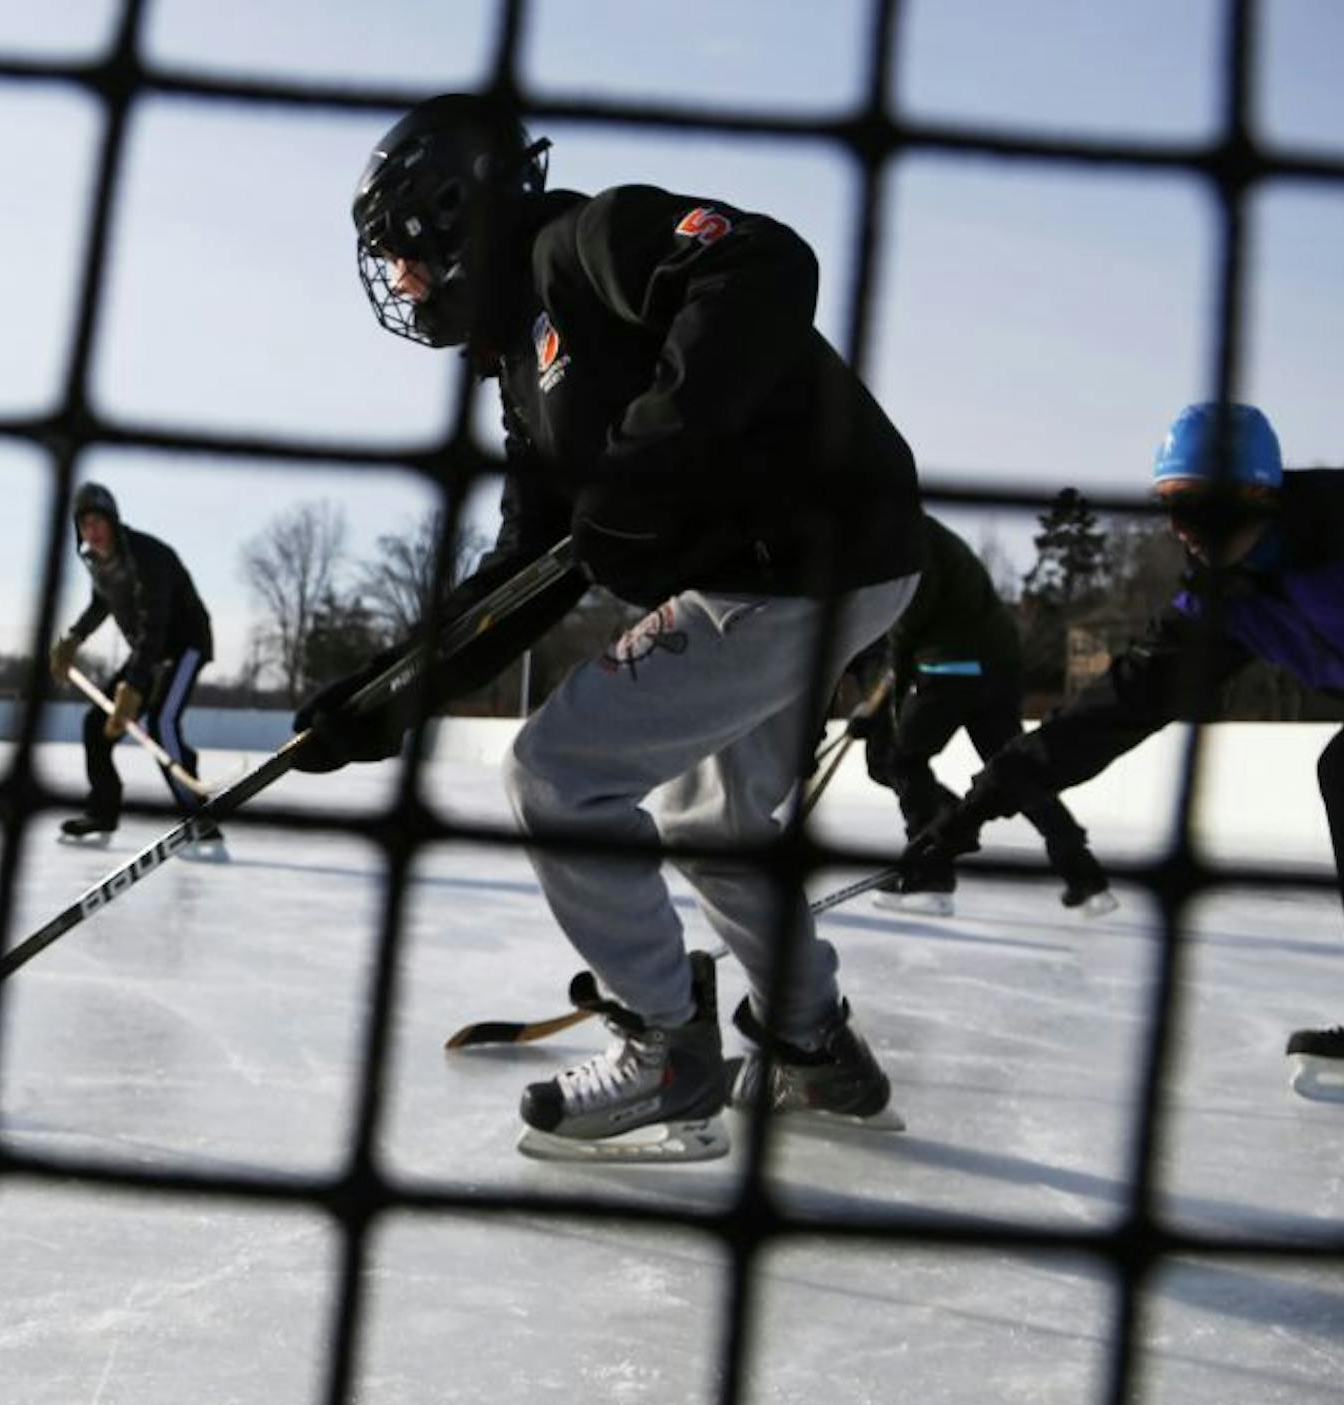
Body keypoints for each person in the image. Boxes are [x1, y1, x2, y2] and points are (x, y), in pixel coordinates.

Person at [294, 93, 928, 1161]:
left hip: (802, 559)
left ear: (456, 215)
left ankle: (670, 1052)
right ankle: (818, 1052)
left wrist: (647, 458)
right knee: (714, 825)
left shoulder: (586, 243)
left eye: (399, 251)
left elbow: (760, 263)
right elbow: (527, 568)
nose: (398, 282)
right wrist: (389, 693)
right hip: (817, 571)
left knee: (557, 775)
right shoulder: (519, 375)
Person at [911, 402, 1344, 1107]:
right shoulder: (1226, 602)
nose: (1183, 528)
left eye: (1199, 506)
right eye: (1170, 507)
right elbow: (1114, 709)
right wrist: (984, 798)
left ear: (1258, 493)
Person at [854, 512, 1115, 917]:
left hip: (952, 666)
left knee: (901, 760)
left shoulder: (900, 537)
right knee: (1014, 770)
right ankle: (1085, 877)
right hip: (999, 666)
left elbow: (907, 624)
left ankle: (930, 877)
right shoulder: (921, 531)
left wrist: (881, 704)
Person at [48, 481, 222, 854]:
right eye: (84, 524)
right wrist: (73, 639)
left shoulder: (146, 556)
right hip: (149, 650)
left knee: (162, 724)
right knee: (96, 725)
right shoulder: (100, 563)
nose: (91, 531)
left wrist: (134, 684)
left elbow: (155, 624)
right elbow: (100, 604)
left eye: (98, 522)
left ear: (113, 522)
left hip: (183, 645)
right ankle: (102, 812)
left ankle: (198, 816)